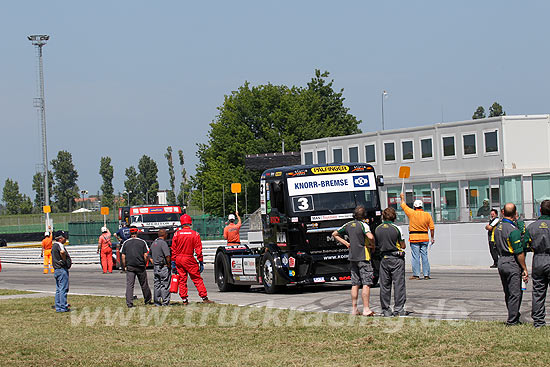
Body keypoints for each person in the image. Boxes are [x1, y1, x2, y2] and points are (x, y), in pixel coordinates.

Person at [332, 206, 375, 316]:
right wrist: (372, 245)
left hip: (352, 257)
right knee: (366, 283)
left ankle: (354, 309)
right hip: (364, 256)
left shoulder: (348, 224)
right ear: (364, 215)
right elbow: (370, 237)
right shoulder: (364, 225)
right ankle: (366, 309)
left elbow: (335, 234)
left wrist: (346, 243)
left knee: (355, 284)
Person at [494, 203, 529, 326]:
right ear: (515, 214)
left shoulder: (497, 227)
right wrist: (524, 268)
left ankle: (513, 315)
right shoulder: (513, 230)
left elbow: (494, 245)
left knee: (508, 292)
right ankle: (512, 320)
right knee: (515, 293)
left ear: (503, 212)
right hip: (511, 261)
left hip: (501, 261)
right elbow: (519, 252)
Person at [171, 214, 213, 305]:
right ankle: (204, 297)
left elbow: (173, 249)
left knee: (182, 279)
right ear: (190, 223)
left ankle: (184, 300)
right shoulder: (195, 234)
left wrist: (173, 261)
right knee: (197, 278)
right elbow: (198, 249)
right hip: (189, 258)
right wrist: (200, 261)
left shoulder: (176, 234)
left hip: (179, 258)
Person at [375, 207, 407, 317]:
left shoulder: (377, 229)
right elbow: (403, 245)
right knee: (398, 284)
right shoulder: (397, 228)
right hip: (396, 258)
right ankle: (398, 309)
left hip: (384, 258)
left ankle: (385, 309)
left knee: (384, 285)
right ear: (394, 216)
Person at [525, 200, 550, 327]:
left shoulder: (531, 226)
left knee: (538, 291)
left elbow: (525, 244)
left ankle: (538, 322)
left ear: (540, 210)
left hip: (538, 259)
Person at [400, 192, 435, 280]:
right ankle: (426, 274)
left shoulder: (411, 213)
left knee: (415, 256)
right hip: (424, 238)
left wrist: (402, 198)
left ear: (415, 206)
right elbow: (432, 228)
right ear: (422, 206)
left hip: (414, 238)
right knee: (424, 256)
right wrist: (432, 238)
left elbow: (403, 205)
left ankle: (416, 274)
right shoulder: (427, 215)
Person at [121, 226, 152, 308]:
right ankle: (148, 300)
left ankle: (129, 303)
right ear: (137, 233)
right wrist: (145, 264)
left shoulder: (126, 243)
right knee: (144, 284)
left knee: (130, 285)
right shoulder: (142, 242)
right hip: (140, 266)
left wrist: (124, 266)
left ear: (130, 234)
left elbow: (123, 256)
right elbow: (145, 255)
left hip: (130, 266)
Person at [149, 229, 171, 306]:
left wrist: (154, 262)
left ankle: (157, 302)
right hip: (163, 266)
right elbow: (167, 255)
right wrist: (169, 265)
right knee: (165, 284)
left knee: (157, 284)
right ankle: (165, 302)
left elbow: (149, 255)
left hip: (156, 266)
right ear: (164, 235)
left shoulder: (153, 243)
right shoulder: (163, 243)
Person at [52, 230, 72, 312]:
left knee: (58, 289)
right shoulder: (59, 245)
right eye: (64, 237)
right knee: (63, 288)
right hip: (61, 269)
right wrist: (64, 261)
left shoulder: (54, 246)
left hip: (57, 269)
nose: (65, 239)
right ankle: (63, 306)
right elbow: (62, 253)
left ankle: (58, 306)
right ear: (60, 238)